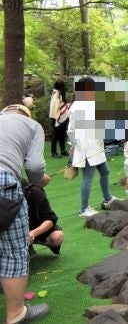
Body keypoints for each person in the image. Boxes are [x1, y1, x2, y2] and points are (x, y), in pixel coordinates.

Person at [0, 103, 50, 324]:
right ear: (25, 114)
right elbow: (36, 166)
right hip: (4, 182)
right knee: (14, 252)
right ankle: (16, 313)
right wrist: (38, 180)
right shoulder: (31, 125)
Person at [67, 76, 118, 217]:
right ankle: (83, 209)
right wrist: (75, 145)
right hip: (86, 148)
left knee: (105, 171)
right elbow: (71, 130)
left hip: (96, 146)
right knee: (88, 177)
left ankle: (107, 199)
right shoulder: (77, 106)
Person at [24, 183, 64, 255]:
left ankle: (29, 245)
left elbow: (50, 219)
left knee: (57, 237)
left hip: (34, 227)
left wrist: (33, 233)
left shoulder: (34, 191)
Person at [48, 80, 70, 158]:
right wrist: (55, 120)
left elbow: (62, 104)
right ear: (59, 87)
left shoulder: (60, 93)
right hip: (56, 118)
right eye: (62, 87)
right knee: (56, 135)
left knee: (62, 134)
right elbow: (54, 108)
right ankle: (54, 152)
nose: (64, 88)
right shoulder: (55, 95)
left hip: (63, 117)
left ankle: (63, 150)